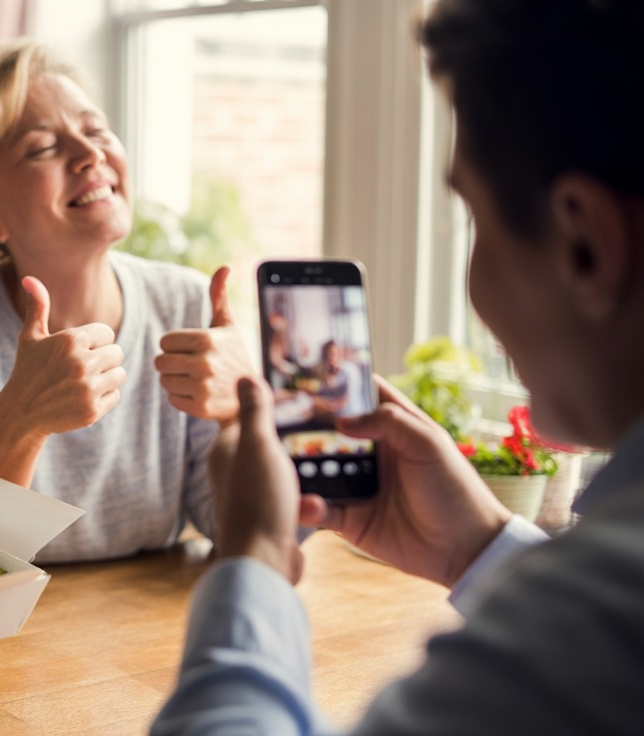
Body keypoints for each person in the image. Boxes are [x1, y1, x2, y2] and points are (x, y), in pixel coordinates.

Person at [154, 0, 644, 732]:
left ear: (585, 244)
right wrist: (478, 546)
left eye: (475, 219)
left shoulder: (596, 608)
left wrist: (250, 559)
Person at [0, 39, 251, 563]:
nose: (91, 153)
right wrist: (22, 418)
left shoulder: (186, 304)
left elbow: (238, 533)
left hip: (152, 625)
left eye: (95, 130)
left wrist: (244, 417)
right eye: (43, 147)